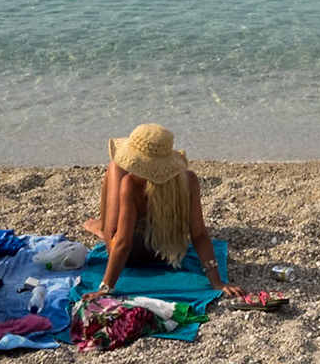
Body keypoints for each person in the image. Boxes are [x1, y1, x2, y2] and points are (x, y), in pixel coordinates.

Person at [84, 123, 241, 298]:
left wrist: (105, 288)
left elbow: (123, 244)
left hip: (132, 257)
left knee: (114, 167)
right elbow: (199, 235)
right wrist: (217, 282)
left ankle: (103, 228)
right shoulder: (189, 180)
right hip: (168, 252)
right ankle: (104, 227)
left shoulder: (131, 184)